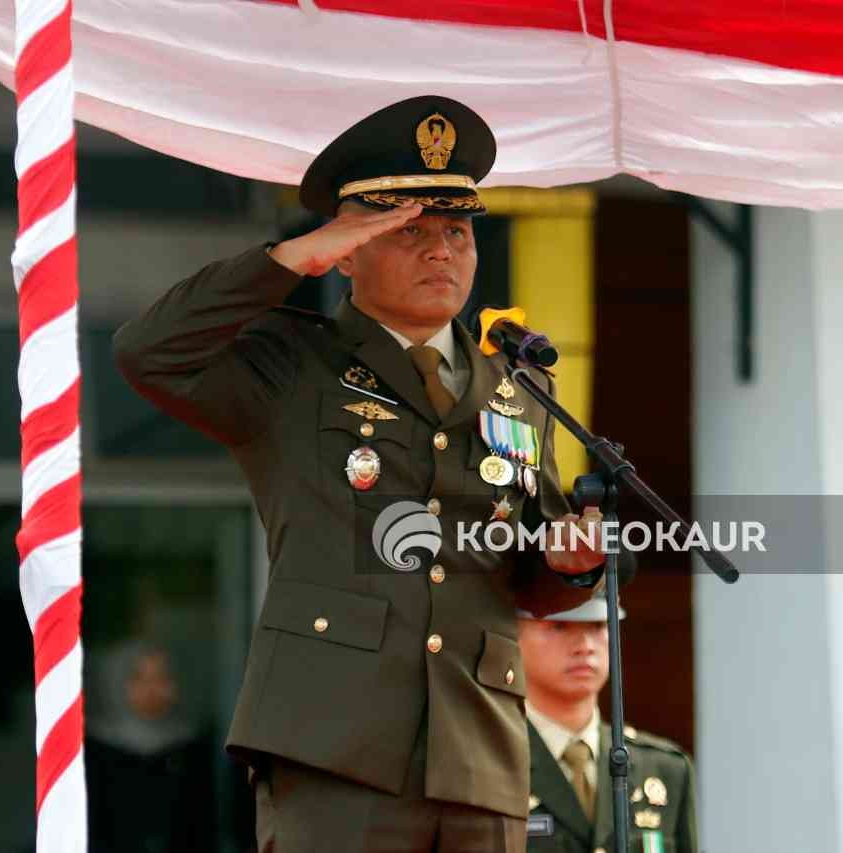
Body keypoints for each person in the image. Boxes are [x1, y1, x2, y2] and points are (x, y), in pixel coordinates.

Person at [113, 95, 614, 852]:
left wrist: (572, 567)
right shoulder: (292, 363)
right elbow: (149, 353)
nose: (441, 251)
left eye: (456, 231)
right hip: (333, 748)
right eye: (408, 232)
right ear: (347, 249)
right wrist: (288, 259)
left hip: (480, 754)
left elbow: (527, 569)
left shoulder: (517, 388)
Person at [518, 589, 697, 853]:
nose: (585, 646)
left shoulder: (664, 769)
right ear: (512, 635)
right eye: (559, 626)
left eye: (598, 626)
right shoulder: (486, 764)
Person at [84, 641, 216, 853]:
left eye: (161, 678)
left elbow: (203, 826)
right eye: (139, 678)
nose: (151, 689)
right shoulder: (98, 750)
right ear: (119, 683)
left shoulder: (191, 748)